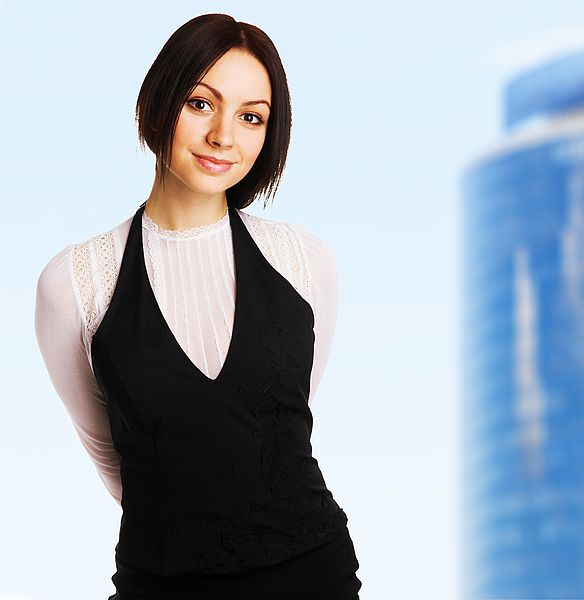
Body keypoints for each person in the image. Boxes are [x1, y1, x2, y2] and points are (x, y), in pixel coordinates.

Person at [33, 13, 361, 599]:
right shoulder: (78, 282)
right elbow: (112, 454)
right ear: (157, 103)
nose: (224, 137)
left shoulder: (303, 260)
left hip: (311, 574)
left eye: (251, 116)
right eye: (201, 104)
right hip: (160, 581)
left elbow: (281, 427)